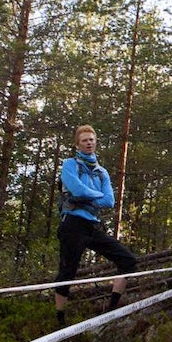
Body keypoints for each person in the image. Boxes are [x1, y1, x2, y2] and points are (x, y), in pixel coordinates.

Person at [54, 124, 137, 326]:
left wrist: (88, 196)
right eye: (85, 140)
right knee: (67, 272)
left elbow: (109, 201)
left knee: (128, 261)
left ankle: (110, 311)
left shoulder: (102, 172)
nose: (89, 143)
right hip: (72, 223)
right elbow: (76, 189)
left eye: (92, 139)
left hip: (93, 225)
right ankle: (59, 321)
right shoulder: (69, 165)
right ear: (77, 144)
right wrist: (93, 195)